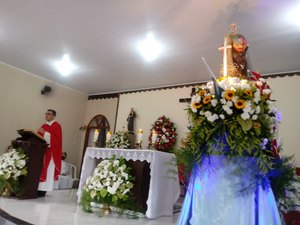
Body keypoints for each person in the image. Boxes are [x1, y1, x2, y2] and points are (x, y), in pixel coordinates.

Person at [37, 109, 62, 197]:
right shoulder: (44, 125)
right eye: (46, 114)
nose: (46, 115)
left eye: (49, 114)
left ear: (53, 116)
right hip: (42, 152)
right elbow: (38, 138)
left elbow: (56, 140)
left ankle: (44, 190)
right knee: (40, 170)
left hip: (51, 153)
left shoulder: (57, 126)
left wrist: (45, 133)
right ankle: (37, 188)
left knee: (48, 171)